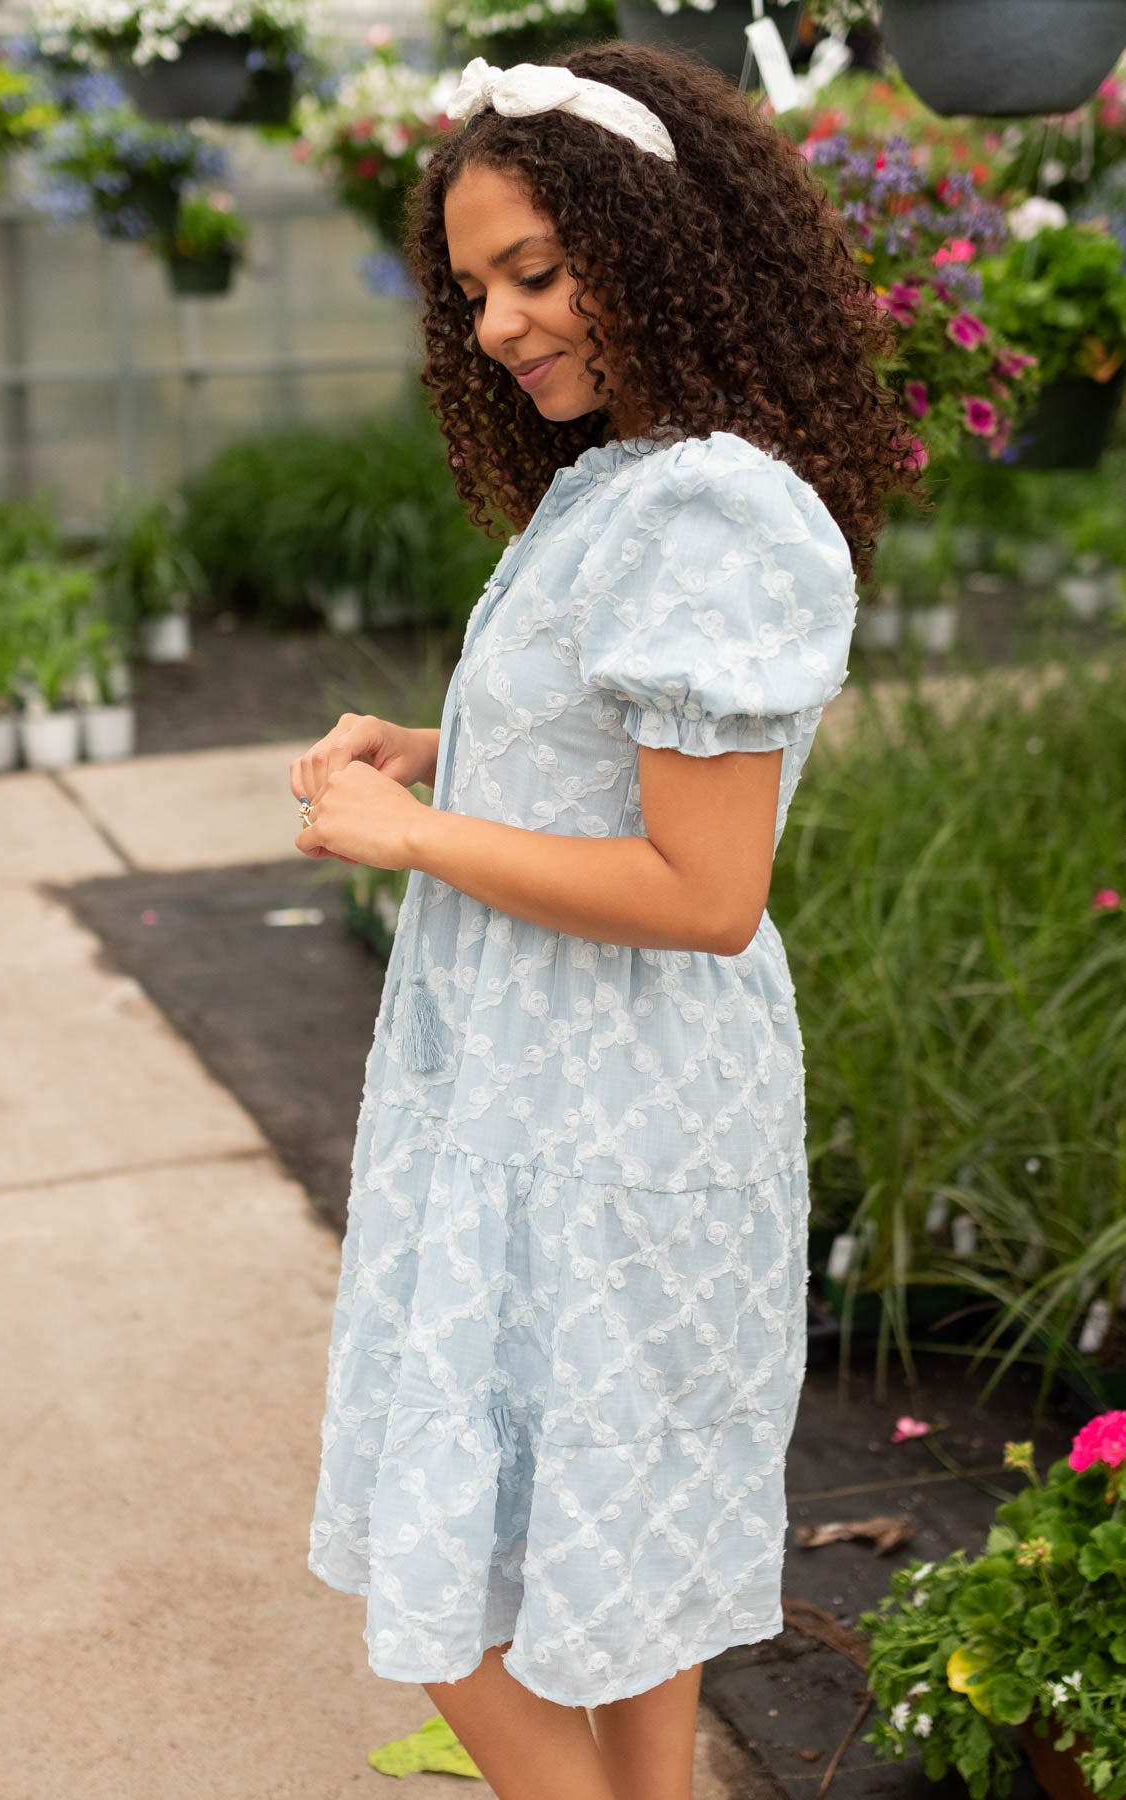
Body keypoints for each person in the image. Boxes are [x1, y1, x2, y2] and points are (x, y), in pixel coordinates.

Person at [291, 39, 926, 1800]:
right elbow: (616, 762)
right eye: (474, 287)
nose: (498, 324)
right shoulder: (627, 475)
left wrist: (410, 833)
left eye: (535, 274)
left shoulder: (712, 504)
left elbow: (702, 890)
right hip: (541, 1087)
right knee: (602, 1539)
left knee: (463, 1588)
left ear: (654, 243)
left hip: (603, 1107)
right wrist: (445, 749)